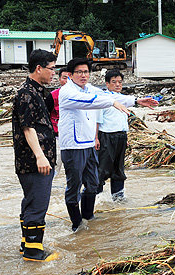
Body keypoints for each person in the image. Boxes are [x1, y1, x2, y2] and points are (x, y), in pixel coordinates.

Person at [59, 58, 158, 232]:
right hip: (73, 145)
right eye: (79, 72)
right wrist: (112, 102)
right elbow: (91, 101)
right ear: (70, 75)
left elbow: (109, 95)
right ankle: (77, 225)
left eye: (86, 72)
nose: (83, 76)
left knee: (92, 183)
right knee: (74, 186)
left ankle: (88, 217)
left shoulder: (89, 88)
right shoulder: (67, 91)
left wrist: (136, 101)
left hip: (88, 144)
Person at [12, 49, 58, 261]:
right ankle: (33, 252)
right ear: (38, 68)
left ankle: (27, 244)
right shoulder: (26, 93)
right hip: (33, 161)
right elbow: (27, 128)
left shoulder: (40, 92)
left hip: (41, 159)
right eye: (51, 69)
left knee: (31, 202)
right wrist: (40, 156)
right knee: (38, 204)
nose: (53, 73)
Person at [95, 70, 130, 201]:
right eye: (114, 82)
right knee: (102, 168)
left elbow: (123, 120)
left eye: (120, 82)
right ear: (107, 84)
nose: (117, 85)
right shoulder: (104, 99)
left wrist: (125, 137)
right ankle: (96, 198)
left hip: (121, 136)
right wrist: (96, 138)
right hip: (106, 137)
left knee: (119, 169)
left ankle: (118, 197)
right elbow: (97, 120)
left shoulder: (124, 100)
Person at [45, 68, 70, 177]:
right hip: (56, 135)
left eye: (70, 78)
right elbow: (46, 115)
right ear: (60, 79)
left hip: (73, 136)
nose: (67, 81)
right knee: (56, 162)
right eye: (64, 78)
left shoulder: (80, 96)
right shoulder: (53, 96)